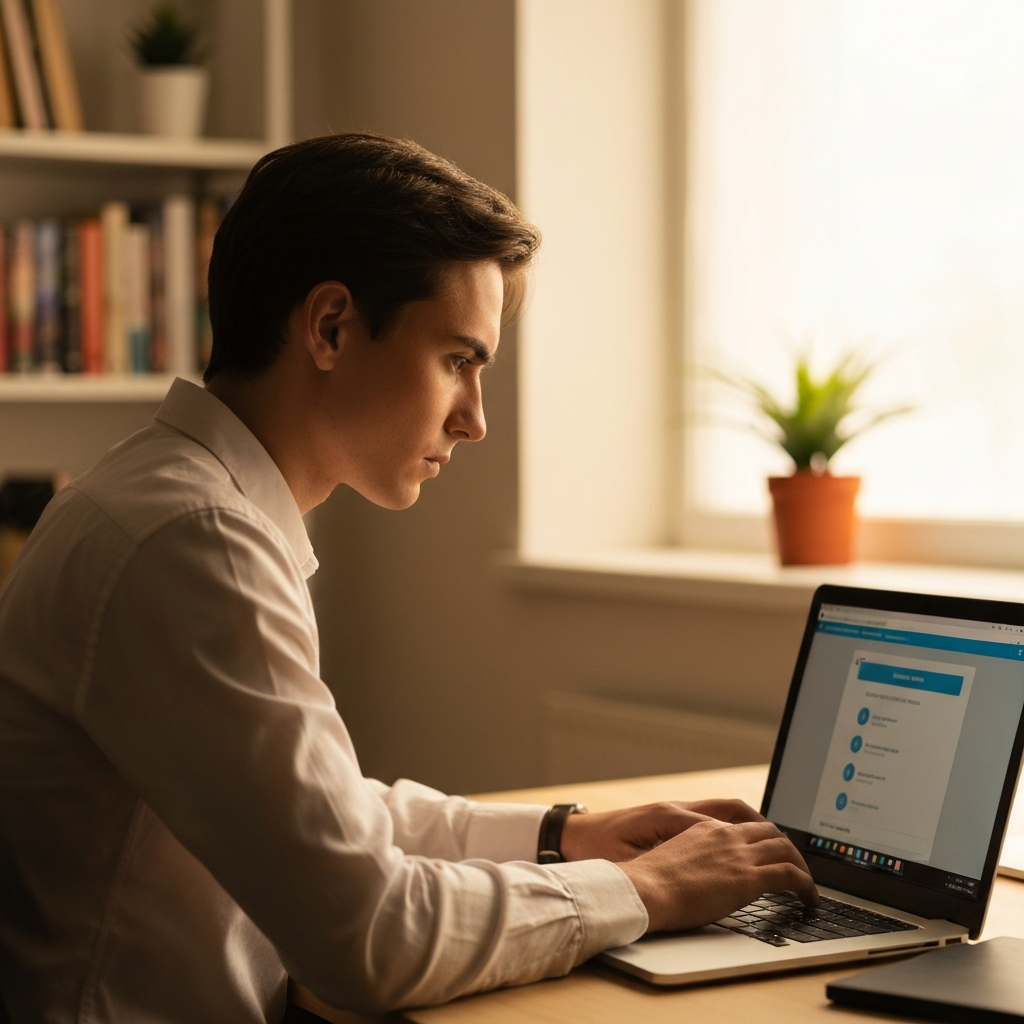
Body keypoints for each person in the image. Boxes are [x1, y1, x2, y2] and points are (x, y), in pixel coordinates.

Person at [0, 134, 816, 1024]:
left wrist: (562, 837)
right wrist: (639, 889)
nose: (474, 422)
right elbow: (370, 937)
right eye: (458, 361)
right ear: (331, 327)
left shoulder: (172, 500)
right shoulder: (195, 541)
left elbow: (324, 817)